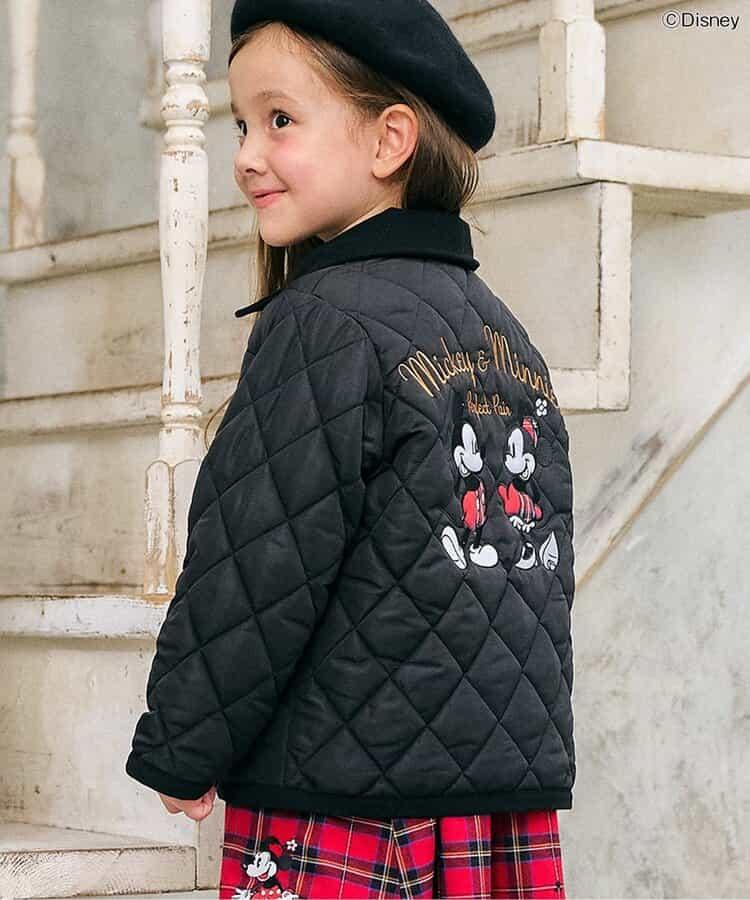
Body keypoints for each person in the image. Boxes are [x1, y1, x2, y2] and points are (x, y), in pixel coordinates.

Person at [125, 1, 576, 897]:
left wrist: (184, 742)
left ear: (388, 141)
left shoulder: (324, 322)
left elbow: (260, 562)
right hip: (496, 812)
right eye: (241, 125)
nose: (246, 154)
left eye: (280, 120)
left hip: (343, 807)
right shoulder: (506, 338)